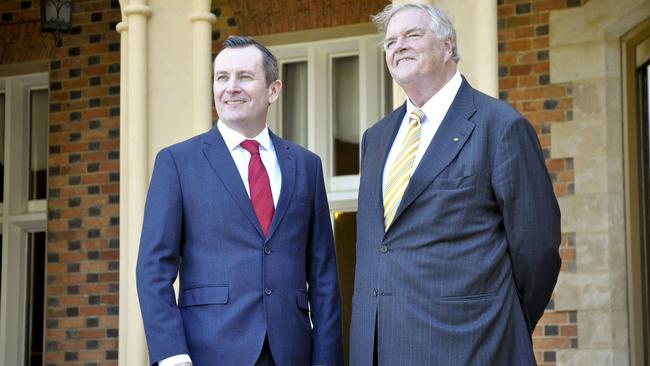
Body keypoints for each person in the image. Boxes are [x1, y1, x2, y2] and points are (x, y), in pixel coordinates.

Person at [349, 4, 561, 365]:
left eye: (412, 35)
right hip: (379, 348)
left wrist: (501, 320)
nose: (398, 46)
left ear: (448, 46)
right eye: (390, 42)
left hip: (471, 345)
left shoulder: (500, 127)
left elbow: (536, 250)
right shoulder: (376, 137)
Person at [136, 36, 343, 366]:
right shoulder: (177, 162)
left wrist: (328, 359)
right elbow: (153, 269)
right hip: (206, 351)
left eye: (244, 77)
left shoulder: (306, 165)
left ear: (273, 90)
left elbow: (323, 276)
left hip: (291, 352)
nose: (230, 87)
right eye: (222, 77)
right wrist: (172, 354)